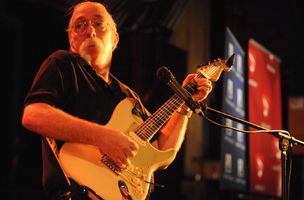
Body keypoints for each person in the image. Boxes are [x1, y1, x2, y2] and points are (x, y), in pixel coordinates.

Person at [21, 1, 213, 200]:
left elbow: (160, 150)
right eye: (80, 25)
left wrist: (184, 105)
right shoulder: (63, 64)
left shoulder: (128, 96)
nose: (90, 31)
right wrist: (102, 137)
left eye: (99, 24)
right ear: (71, 38)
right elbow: (34, 115)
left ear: (115, 40)